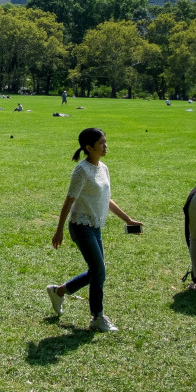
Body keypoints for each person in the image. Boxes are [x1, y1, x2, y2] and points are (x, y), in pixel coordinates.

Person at [45, 128, 143, 332]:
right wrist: (59, 230)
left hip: (95, 225)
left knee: (98, 271)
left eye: (105, 141)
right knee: (99, 270)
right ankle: (97, 317)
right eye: (101, 143)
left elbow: (107, 200)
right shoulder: (81, 170)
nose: (105, 146)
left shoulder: (103, 168)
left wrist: (129, 220)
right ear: (88, 148)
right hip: (80, 226)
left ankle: (59, 291)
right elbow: (69, 200)